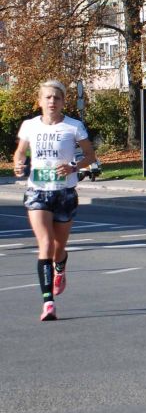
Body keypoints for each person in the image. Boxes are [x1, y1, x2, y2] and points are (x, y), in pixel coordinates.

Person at [13, 80, 98, 321]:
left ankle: (60, 268)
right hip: (37, 191)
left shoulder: (74, 127)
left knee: (59, 247)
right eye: (48, 97)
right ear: (40, 101)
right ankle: (48, 302)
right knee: (46, 243)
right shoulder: (29, 126)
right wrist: (18, 163)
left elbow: (90, 155)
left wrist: (73, 166)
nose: (52, 102)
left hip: (64, 193)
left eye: (56, 98)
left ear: (63, 102)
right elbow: (20, 151)